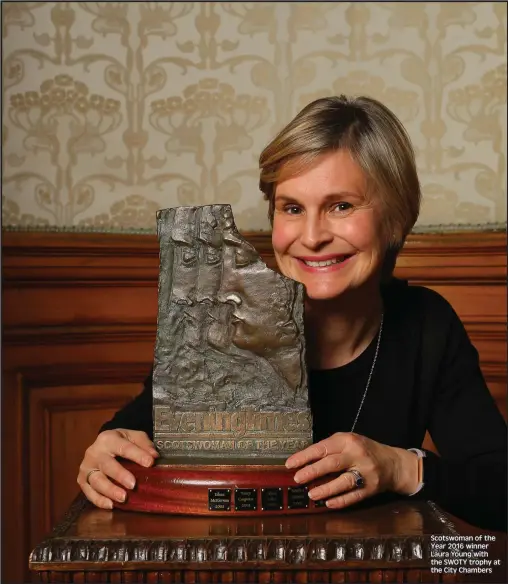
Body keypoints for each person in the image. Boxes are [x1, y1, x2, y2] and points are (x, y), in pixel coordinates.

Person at [77, 95, 507, 532]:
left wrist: (401, 468)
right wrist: (103, 456)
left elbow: (501, 490)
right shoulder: (218, 319)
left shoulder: (425, 325)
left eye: (341, 205)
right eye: (293, 208)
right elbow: (125, 438)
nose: (313, 236)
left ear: (396, 218)